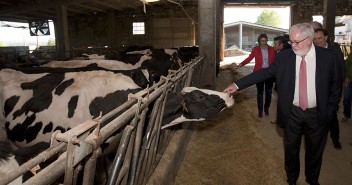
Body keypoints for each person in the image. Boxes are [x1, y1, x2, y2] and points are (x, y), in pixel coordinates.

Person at [224, 23, 342, 185]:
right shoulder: (285, 57)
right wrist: (237, 85)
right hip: (292, 113)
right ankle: (292, 180)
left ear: (310, 40)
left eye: (297, 42)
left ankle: (312, 180)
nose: (293, 45)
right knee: (291, 151)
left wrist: (330, 110)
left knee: (315, 152)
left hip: (317, 114)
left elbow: (336, 85)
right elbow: (264, 73)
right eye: (291, 41)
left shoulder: (328, 57)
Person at [314, 28, 344, 149]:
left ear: (326, 38)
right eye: (314, 39)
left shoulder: (335, 50)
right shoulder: (312, 50)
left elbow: (340, 69)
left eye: (319, 38)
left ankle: (335, 138)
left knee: (331, 116)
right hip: (317, 89)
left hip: (330, 90)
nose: (317, 41)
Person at [236, 33, 275, 117]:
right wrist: (241, 64)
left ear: (267, 40)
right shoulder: (255, 49)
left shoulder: (272, 49)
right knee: (260, 92)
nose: (264, 42)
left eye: (265, 40)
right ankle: (260, 111)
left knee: (268, 92)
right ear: (259, 41)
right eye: (262, 41)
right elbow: (249, 58)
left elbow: (276, 61)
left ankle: (266, 108)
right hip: (259, 73)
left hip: (269, 73)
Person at [342, 52, 352, 123]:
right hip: (348, 80)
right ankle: (346, 115)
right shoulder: (351, 54)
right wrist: (345, 77)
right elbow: (346, 66)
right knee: (346, 98)